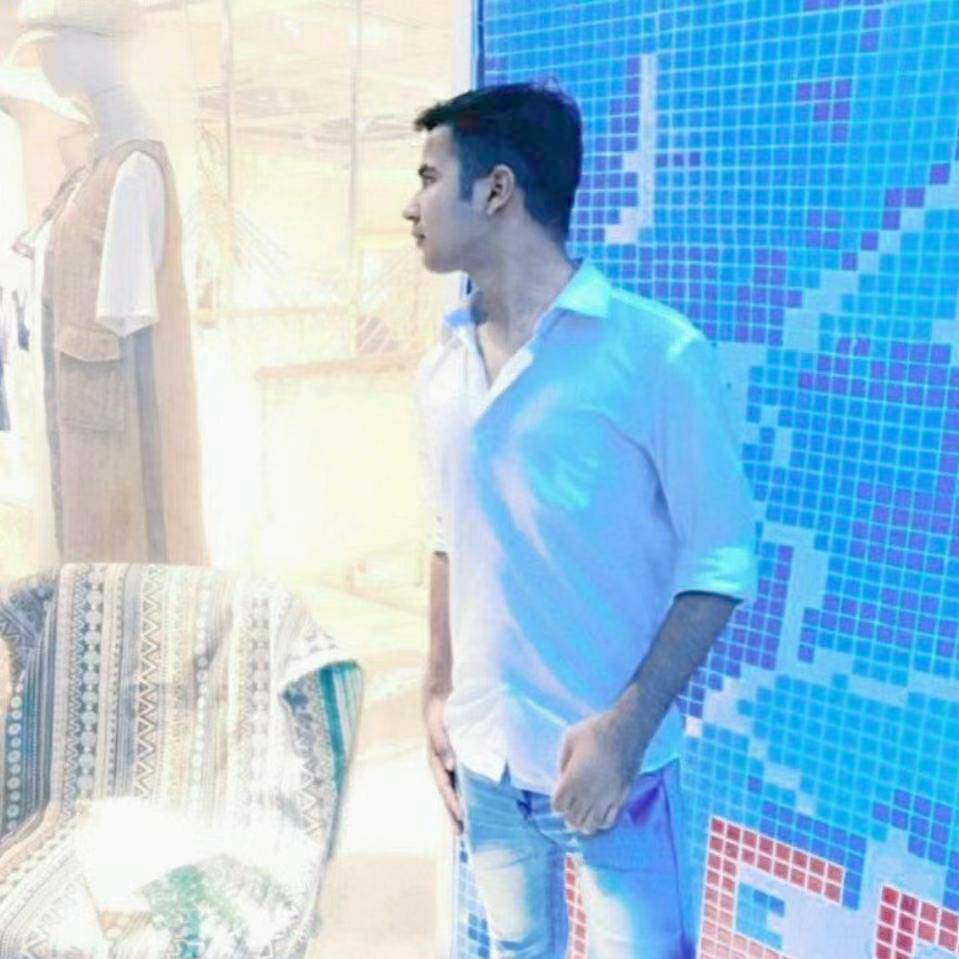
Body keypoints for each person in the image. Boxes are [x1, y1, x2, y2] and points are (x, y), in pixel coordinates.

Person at [405, 82, 757, 959]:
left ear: (495, 190)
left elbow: (720, 562)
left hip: (610, 768)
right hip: (484, 757)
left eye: (427, 177)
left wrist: (625, 731)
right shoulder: (440, 371)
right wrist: (436, 688)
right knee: (515, 947)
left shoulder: (655, 354)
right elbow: (447, 535)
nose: (410, 206)